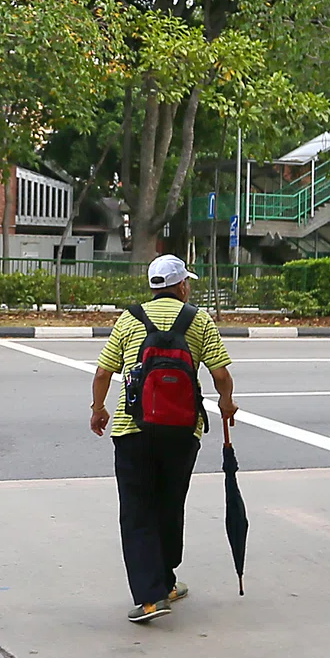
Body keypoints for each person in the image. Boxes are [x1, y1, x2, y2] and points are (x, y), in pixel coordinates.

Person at [90, 254, 238, 623]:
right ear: (182, 285)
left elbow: (103, 372)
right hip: (183, 430)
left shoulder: (129, 319)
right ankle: (167, 581)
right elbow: (220, 374)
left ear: (154, 286)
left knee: (138, 510)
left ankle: (152, 597)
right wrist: (227, 403)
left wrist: (98, 409)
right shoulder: (198, 320)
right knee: (170, 505)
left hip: (133, 429)